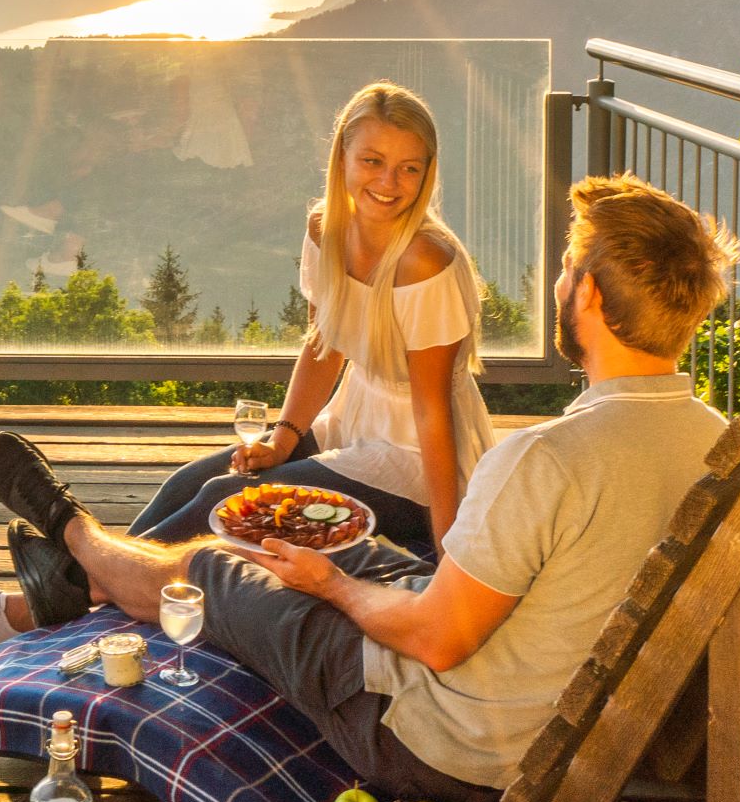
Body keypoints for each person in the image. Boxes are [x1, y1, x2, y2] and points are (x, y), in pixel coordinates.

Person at [0, 174, 737, 802]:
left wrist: (334, 587)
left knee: (216, 562)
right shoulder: (717, 445)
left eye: (566, 269)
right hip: (547, 704)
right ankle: (82, 581)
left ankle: (71, 533)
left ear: (588, 295)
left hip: (435, 735)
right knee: (338, 541)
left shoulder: (547, 460)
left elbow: (437, 640)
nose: (558, 281)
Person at [120, 82, 487, 575]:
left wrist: (448, 554)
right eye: (373, 161)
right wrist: (282, 441)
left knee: (223, 499)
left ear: (427, 172)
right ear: (342, 159)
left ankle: (84, 585)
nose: (389, 181)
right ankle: (85, 579)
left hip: (415, 459)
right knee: (187, 485)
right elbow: (322, 349)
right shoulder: (325, 228)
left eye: (409, 168)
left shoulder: (423, 262)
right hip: (351, 420)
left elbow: (432, 413)